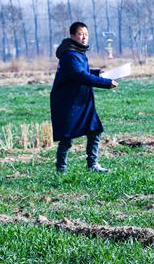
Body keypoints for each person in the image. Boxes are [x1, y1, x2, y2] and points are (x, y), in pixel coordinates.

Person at [50, 21, 118, 173]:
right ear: (73, 36)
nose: (84, 37)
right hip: (68, 103)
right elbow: (80, 76)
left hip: (82, 101)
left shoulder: (77, 52)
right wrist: (106, 83)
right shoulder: (69, 55)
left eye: (86, 34)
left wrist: (96, 72)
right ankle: (61, 170)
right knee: (66, 137)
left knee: (94, 129)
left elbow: (83, 71)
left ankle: (92, 165)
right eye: (80, 34)